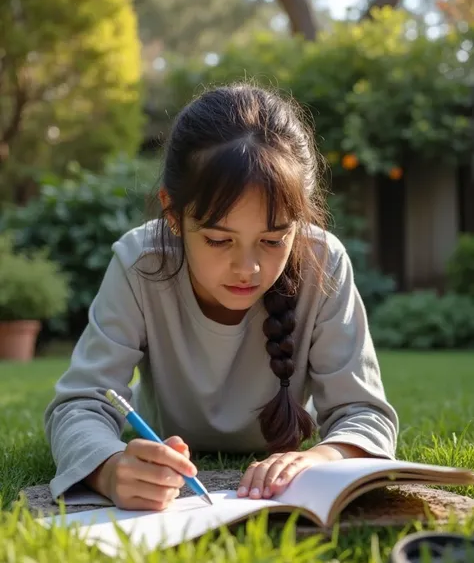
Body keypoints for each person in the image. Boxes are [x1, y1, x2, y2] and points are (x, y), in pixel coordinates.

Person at [44, 83, 398, 512]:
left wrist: (321, 459)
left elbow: (365, 413)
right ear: (173, 215)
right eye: (217, 239)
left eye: (273, 239)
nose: (247, 268)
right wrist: (111, 469)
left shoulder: (324, 261)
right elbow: (79, 404)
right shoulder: (141, 263)